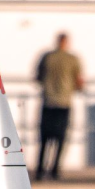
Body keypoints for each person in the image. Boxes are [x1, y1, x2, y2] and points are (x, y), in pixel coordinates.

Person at [34, 33, 83, 180]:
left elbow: (38, 77)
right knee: (60, 138)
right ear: (66, 42)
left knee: (44, 138)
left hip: (48, 102)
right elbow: (79, 82)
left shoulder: (47, 57)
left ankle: (40, 169)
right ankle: (55, 170)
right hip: (64, 103)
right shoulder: (73, 59)